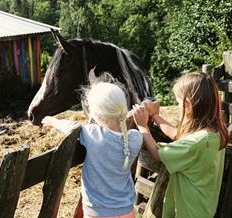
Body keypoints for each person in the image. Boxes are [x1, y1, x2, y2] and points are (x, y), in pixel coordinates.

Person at [42, 73, 143, 218]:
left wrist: (52, 121)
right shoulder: (135, 138)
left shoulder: (92, 134)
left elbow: (72, 126)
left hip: (96, 211)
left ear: (97, 115)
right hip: (126, 210)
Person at [132, 72, 228, 218]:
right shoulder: (214, 133)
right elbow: (178, 135)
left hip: (188, 212)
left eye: (178, 102)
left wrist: (142, 126)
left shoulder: (195, 143)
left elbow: (157, 154)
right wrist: (155, 116)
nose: (177, 107)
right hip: (203, 209)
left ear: (188, 105)